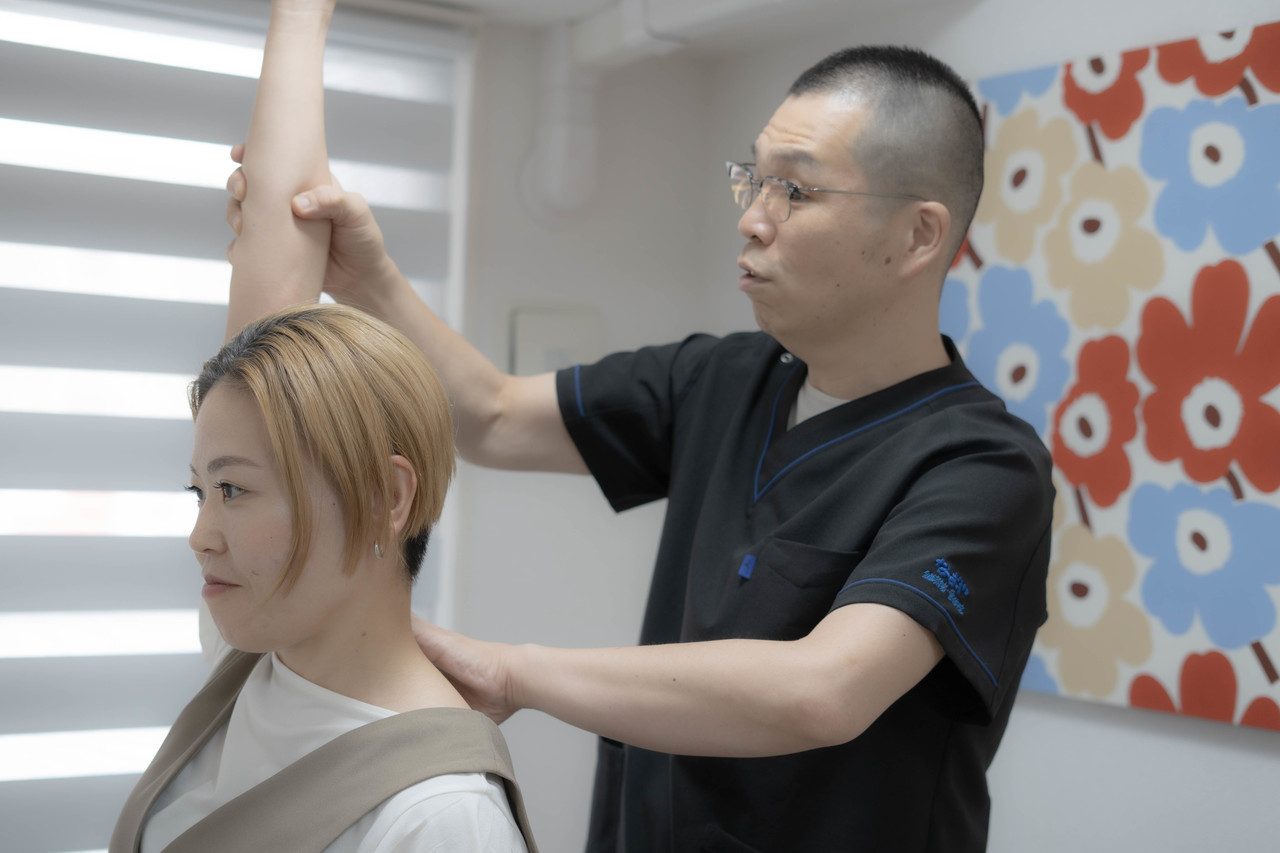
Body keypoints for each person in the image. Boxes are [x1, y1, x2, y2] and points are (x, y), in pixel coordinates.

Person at [226, 43, 1054, 853]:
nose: (753, 218)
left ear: (918, 236)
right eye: (754, 179)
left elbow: (822, 690)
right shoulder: (723, 378)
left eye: (795, 191)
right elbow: (492, 417)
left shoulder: (982, 467)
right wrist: (367, 281)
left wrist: (515, 673)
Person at [109, 2, 536, 851]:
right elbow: (277, 265)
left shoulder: (442, 818)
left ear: (385, 496)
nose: (200, 534)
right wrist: (299, 17)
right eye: (201, 492)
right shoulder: (260, 658)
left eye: (233, 491)